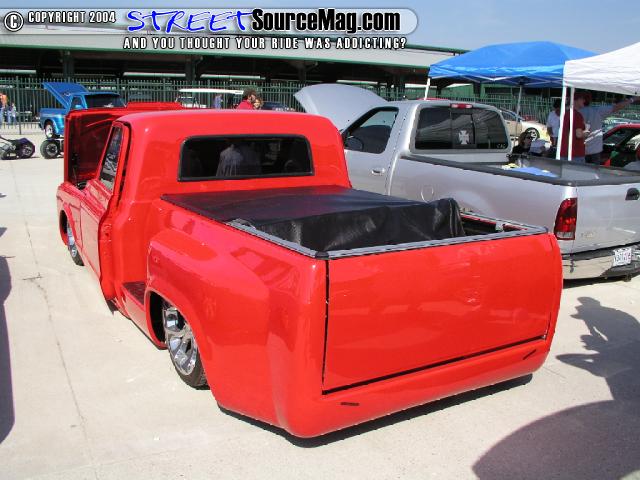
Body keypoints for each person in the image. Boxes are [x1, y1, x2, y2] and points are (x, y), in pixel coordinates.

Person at [580, 92, 640, 165]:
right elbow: (616, 107)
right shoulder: (597, 111)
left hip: (579, 151)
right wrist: (633, 99)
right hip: (594, 152)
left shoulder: (575, 112)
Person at [559, 92, 589, 163]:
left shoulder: (565, 114)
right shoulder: (577, 115)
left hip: (564, 152)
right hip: (575, 153)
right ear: (575, 100)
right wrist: (586, 133)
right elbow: (579, 135)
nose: (584, 101)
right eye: (582, 99)